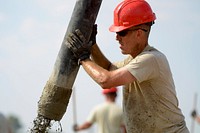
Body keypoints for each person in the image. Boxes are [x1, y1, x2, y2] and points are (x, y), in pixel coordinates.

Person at [67, 0, 189, 132]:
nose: (117, 38)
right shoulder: (132, 61)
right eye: (116, 33)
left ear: (139, 33)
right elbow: (108, 69)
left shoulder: (151, 59)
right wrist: (92, 45)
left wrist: (83, 58)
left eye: (122, 33)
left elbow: (106, 80)